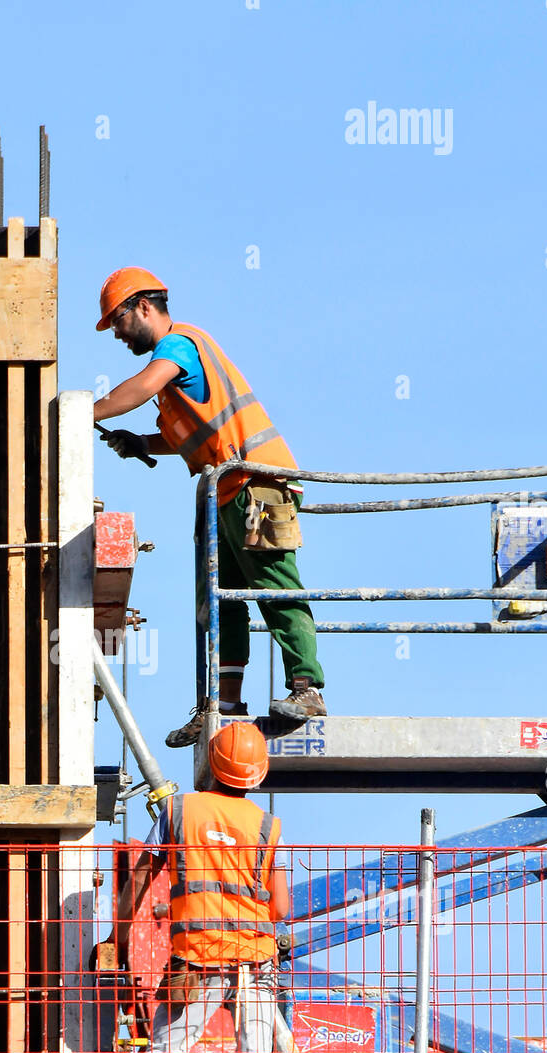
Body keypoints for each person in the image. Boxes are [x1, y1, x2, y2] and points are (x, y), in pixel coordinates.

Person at [92, 267, 326, 749]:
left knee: (276, 588)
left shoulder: (178, 345)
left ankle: (307, 689)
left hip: (257, 485)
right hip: (226, 490)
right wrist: (143, 442)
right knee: (221, 605)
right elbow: (199, 437)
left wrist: (82, 411)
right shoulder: (178, 366)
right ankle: (224, 704)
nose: (115, 333)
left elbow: (139, 388)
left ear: (142, 307)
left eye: (116, 321)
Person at [117, 722, 290, 1053]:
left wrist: (120, 935)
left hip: (198, 959)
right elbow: (280, 907)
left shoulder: (180, 810)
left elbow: (143, 874)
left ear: (212, 763)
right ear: (259, 773)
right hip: (256, 960)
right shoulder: (267, 826)